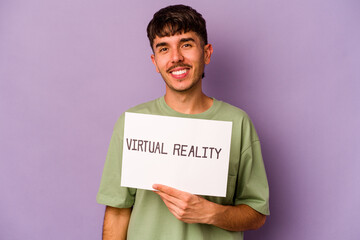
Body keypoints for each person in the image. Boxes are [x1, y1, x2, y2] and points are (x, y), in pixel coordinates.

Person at [97, 4, 269, 240]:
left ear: (206, 53)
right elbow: (117, 212)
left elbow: (257, 213)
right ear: (154, 61)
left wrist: (210, 213)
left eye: (186, 44)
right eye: (164, 48)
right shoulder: (132, 124)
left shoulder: (237, 123)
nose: (176, 57)